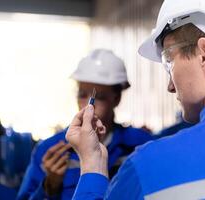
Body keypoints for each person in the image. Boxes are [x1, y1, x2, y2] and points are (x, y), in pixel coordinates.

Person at [66, 0, 205, 199]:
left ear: (204, 54)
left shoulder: (149, 166)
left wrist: (93, 165)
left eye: (169, 62)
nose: (170, 86)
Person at [17, 49, 153, 200]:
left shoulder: (140, 144)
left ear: (117, 98)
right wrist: (49, 186)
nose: (88, 105)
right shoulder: (49, 150)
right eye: (82, 95)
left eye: (99, 97)